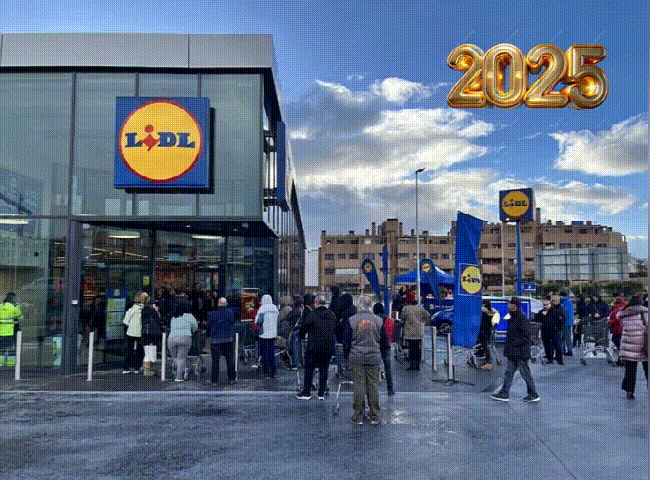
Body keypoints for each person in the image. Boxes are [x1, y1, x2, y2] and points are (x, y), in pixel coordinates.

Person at [491, 297, 540, 402]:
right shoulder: (512, 316)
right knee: (509, 373)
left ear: (514, 305)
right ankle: (504, 393)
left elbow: (526, 336)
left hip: (520, 352)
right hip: (513, 351)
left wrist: (514, 344)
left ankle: (533, 394)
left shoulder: (522, 318)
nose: (508, 305)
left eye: (510, 303)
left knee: (525, 373)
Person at [347, 295, 384, 424]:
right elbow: (384, 341)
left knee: (359, 385)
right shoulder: (379, 321)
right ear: (370, 306)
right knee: (373, 385)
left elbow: (346, 340)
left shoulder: (352, 320)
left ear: (359, 305)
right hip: (374, 356)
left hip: (357, 356)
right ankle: (375, 414)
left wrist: (348, 355)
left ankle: (358, 415)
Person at [296, 295, 338, 400]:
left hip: (313, 347)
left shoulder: (312, 315)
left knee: (309, 369)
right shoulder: (331, 315)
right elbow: (336, 329)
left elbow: (303, 329)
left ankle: (306, 392)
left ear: (316, 303)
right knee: (324, 370)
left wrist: (301, 336)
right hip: (327, 347)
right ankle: (321, 393)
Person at [618, 295, 648, 399]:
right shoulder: (644, 312)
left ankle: (629, 392)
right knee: (647, 368)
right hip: (643, 345)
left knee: (630, 370)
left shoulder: (624, 313)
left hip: (628, 345)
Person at [207, 297, 236, 385]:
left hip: (215, 340)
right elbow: (232, 322)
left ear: (218, 304)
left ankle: (214, 380)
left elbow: (209, 325)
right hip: (228, 339)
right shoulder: (230, 313)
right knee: (230, 360)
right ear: (226, 304)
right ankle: (231, 378)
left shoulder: (212, 314)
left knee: (215, 361)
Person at [167, 300, 198, 382]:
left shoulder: (174, 317)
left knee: (176, 358)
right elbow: (195, 327)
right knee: (181, 359)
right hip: (185, 338)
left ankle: (177, 369)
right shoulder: (189, 316)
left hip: (171, 339)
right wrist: (191, 331)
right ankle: (178, 377)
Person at [401, 295, 429, 371]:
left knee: (411, 348)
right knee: (417, 348)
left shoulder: (406, 308)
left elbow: (402, 317)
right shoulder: (420, 307)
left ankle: (412, 365)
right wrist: (422, 320)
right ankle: (417, 365)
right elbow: (427, 315)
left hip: (410, 332)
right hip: (418, 331)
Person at [373, 302, 395, 395]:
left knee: (373, 368)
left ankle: (373, 389)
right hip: (386, 346)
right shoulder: (388, 320)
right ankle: (390, 389)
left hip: (376, 346)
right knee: (388, 368)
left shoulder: (374, 320)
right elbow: (392, 333)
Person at [255, 294, 279, 379]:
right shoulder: (275, 308)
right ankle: (273, 372)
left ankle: (266, 372)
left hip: (264, 334)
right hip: (273, 333)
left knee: (265, 353)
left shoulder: (262, 308)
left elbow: (258, 321)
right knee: (272, 353)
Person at [122, 292, 146, 374]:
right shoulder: (146, 309)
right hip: (141, 332)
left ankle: (127, 367)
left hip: (131, 332)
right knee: (140, 350)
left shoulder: (132, 309)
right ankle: (137, 367)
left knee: (129, 349)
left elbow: (125, 321)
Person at [140, 294, 163, 377]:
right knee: (150, 353)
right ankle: (146, 369)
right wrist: (156, 311)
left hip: (144, 333)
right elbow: (158, 320)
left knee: (147, 352)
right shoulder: (152, 311)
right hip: (151, 334)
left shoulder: (143, 310)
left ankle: (144, 367)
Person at [0, 292, 23, 367]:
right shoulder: (15, 307)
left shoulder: (0, 306)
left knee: (1, 348)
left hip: (1, 332)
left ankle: (1, 363)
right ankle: (10, 363)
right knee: (11, 348)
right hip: (11, 332)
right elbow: (20, 317)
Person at [540, 295, 564, 365]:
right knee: (547, 345)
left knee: (557, 345)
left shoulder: (556, 311)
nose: (545, 306)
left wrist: (558, 328)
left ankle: (559, 359)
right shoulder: (541, 312)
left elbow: (561, 320)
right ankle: (549, 358)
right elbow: (537, 320)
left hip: (554, 331)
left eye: (547, 304)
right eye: (544, 304)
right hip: (545, 330)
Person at [335, 292, 357, 358]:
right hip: (356, 348)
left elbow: (339, 330)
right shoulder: (355, 312)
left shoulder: (345, 315)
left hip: (347, 347)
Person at [477, 299, 497, 370]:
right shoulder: (492, 311)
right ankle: (481, 354)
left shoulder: (484, 312)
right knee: (484, 344)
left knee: (484, 344)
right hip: (488, 332)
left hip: (484, 332)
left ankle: (489, 362)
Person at [608, 297, 628, 366]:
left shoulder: (618, 309)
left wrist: (609, 321)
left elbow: (616, 319)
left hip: (618, 329)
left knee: (619, 345)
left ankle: (621, 361)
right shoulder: (623, 308)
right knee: (620, 345)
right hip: (621, 329)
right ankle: (622, 360)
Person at [560, 291, 574, 356]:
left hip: (565, 322)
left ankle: (568, 350)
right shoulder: (568, 302)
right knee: (566, 336)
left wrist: (561, 320)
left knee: (565, 337)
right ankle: (565, 350)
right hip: (569, 322)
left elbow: (565, 313)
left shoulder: (564, 303)